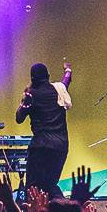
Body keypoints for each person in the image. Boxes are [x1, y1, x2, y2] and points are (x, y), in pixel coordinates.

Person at [15, 60, 72, 196]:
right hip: (60, 147)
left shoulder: (31, 95)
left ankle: (35, 209)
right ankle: (61, 207)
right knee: (50, 185)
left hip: (41, 147)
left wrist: (26, 95)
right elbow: (66, 81)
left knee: (33, 189)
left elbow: (19, 118)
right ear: (48, 76)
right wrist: (68, 70)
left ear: (32, 78)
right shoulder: (59, 90)